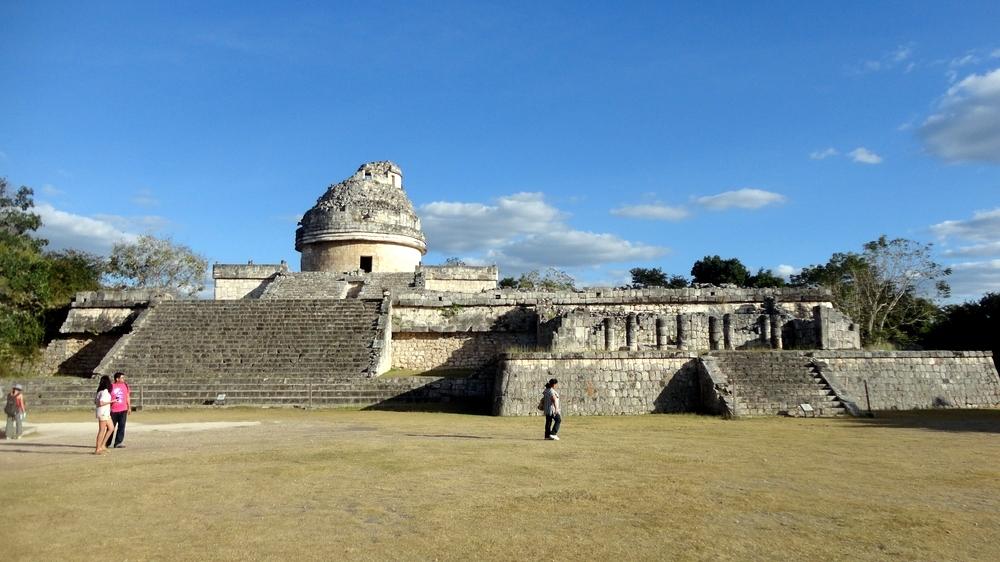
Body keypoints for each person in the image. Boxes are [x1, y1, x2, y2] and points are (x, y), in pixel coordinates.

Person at [106, 372, 131, 448]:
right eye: (122, 378)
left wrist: (129, 407)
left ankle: (118, 442)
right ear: (117, 379)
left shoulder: (125, 385)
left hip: (123, 409)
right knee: (110, 427)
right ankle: (107, 442)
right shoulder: (111, 386)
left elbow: (127, 396)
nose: (123, 379)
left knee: (122, 426)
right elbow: (107, 397)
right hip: (113, 410)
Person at [94, 376, 115, 454]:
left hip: (105, 412)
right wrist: (112, 401)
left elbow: (96, 402)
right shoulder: (105, 392)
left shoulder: (99, 391)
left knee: (111, 428)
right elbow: (101, 402)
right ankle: (97, 448)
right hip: (103, 412)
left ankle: (102, 445)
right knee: (102, 430)